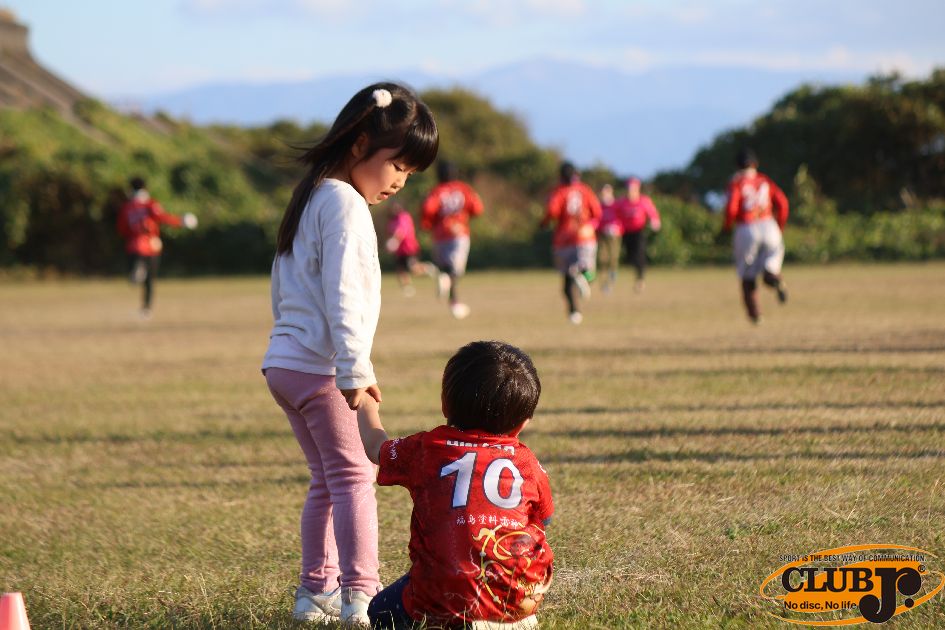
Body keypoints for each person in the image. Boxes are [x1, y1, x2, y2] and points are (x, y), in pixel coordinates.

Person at [261, 82, 438, 625]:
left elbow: (283, 283)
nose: (401, 182)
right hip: (322, 369)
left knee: (328, 479)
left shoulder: (312, 194)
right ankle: (362, 594)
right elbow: (346, 295)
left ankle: (316, 593)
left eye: (410, 173)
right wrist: (355, 371)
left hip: (285, 364)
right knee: (356, 476)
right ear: (360, 145)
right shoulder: (345, 204)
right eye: (398, 166)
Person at [356, 341, 554, 630]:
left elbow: (376, 448)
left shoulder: (427, 448)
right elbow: (545, 519)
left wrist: (365, 402)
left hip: (443, 597)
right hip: (521, 594)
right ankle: (509, 616)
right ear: (523, 423)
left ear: (444, 404)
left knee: (379, 610)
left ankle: (465, 615)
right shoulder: (527, 462)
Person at [721, 148, 789, 324]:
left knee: (747, 274)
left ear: (737, 165)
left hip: (746, 227)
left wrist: (726, 228)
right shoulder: (764, 181)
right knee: (771, 263)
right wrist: (780, 226)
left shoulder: (736, 183)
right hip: (769, 224)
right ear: (755, 164)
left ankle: (755, 313)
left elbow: (732, 208)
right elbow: (782, 203)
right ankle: (773, 277)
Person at [115, 176, 197, 317]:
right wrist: (181, 222)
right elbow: (162, 217)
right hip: (151, 245)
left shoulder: (127, 207)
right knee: (149, 281)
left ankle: (137, 270)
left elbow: (122, 228)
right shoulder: (150, 204)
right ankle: (146, 309)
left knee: (134, 274)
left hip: (134, 245)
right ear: (145, 188)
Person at [420, 160, 484, 319]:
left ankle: (453, 301)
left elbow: (427, 210)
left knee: (445, 269)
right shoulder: (464, 189)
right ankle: (454, 301)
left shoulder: (436, 191)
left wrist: (428, 225)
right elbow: (477, 208)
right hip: (459, 234)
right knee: (455, 272)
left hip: (440, 235)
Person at [540, 161, 601, 325]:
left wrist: (543, 224)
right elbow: (597, 212)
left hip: (563, 239)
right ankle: (583, 275)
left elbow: (552, 212)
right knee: (590, 273)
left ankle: (574, 313)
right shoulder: (585, 190)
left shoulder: (558, 192)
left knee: (567, 279)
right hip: (585, 236)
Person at [618, 177, 661, 293]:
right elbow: (616, 215)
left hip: (639, 232)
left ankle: (640, 279)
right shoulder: (622, 202)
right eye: (628, 189)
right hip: (625, 233)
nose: (630, 191)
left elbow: (652, 213)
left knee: (639, 255)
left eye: (633, 189)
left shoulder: (644, 201)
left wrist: (655, 221)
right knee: (630, 257)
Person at [384, 202, 435, 297]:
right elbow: (390, 233)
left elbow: (401, 232)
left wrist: (394, 242)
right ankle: (407, 288)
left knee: (414, 268)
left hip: (409, 247)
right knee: (400, 270)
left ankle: (428, 268)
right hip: (400, 250)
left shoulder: (404, 217)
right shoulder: (392, 221)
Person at [596, 183, 623, 294]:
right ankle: (603, 284)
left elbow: (622, 219)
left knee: (613, 257)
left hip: (614, 236)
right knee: (602, 258)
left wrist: (617, 227)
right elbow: (596, 220)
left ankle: (612, 277)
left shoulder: (617, 205)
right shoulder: (599, 206)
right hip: (602, 234)